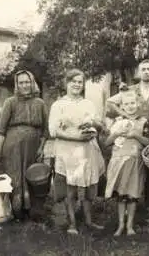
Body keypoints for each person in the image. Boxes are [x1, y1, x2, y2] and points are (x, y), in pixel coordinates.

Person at [106, 59, 149, 216]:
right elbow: (110, 102)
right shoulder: (130, 90)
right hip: (133, 132)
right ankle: (128, 202)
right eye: (143, 69)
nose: (146, 72)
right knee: (132, 167)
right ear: (139, 73)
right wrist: (124, 114)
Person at [49, 69, 106, 235]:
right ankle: (72, 223)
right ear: (66, 83)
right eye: (73, 81)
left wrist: (93, 128)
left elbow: (96, 125)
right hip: (67, 151)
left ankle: (88, 221)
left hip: (86, 151)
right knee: (70, 188)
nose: (76, 84)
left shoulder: (88, 104)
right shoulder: (58, 105)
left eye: (80, 82)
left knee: (87, 185)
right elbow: (53, 130)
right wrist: (76, 137)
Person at [0, 70, 49, 221]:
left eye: (27, 82)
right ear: (17, 85)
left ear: (32, 83)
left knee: (34, 176)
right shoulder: (10, 102)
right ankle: (15, 212)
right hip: (13, 147)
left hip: (33, 146)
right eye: (21, 82)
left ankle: (33, 212)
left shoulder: (40, 103)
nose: (25, 85)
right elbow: (1, 130)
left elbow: (45, 130)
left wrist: (41, 148)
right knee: (15, 177)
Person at [104, 89, 149, 236]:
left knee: (132, 195)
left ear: (137, 104)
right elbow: (107, 143)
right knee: (121, 195)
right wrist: (117, 133)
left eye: (133, 103)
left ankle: (130, 226)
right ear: (122, 106)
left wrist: (136, 135)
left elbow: (148, 142)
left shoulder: (143, 122)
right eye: (126, 104)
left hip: (135, 162)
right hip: (120, 162)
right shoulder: (117, 122)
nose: (130, 106)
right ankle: (120, 225)